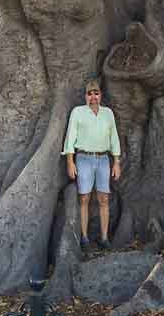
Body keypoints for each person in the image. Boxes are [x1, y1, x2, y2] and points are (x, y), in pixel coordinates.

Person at [62, 79, 121, 250]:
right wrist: (70, 162)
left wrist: (116, 162)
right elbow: (70, 137)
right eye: (90, 93)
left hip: (103, 159)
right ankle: (85, 238)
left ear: (101, 95)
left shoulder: (107, 113)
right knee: (84, 198)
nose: (93, 97)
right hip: (83, 158)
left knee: (103, 198)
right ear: (85, 96)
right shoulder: (78, 112)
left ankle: (104, 238)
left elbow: (114, 138)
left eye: (96, 93)